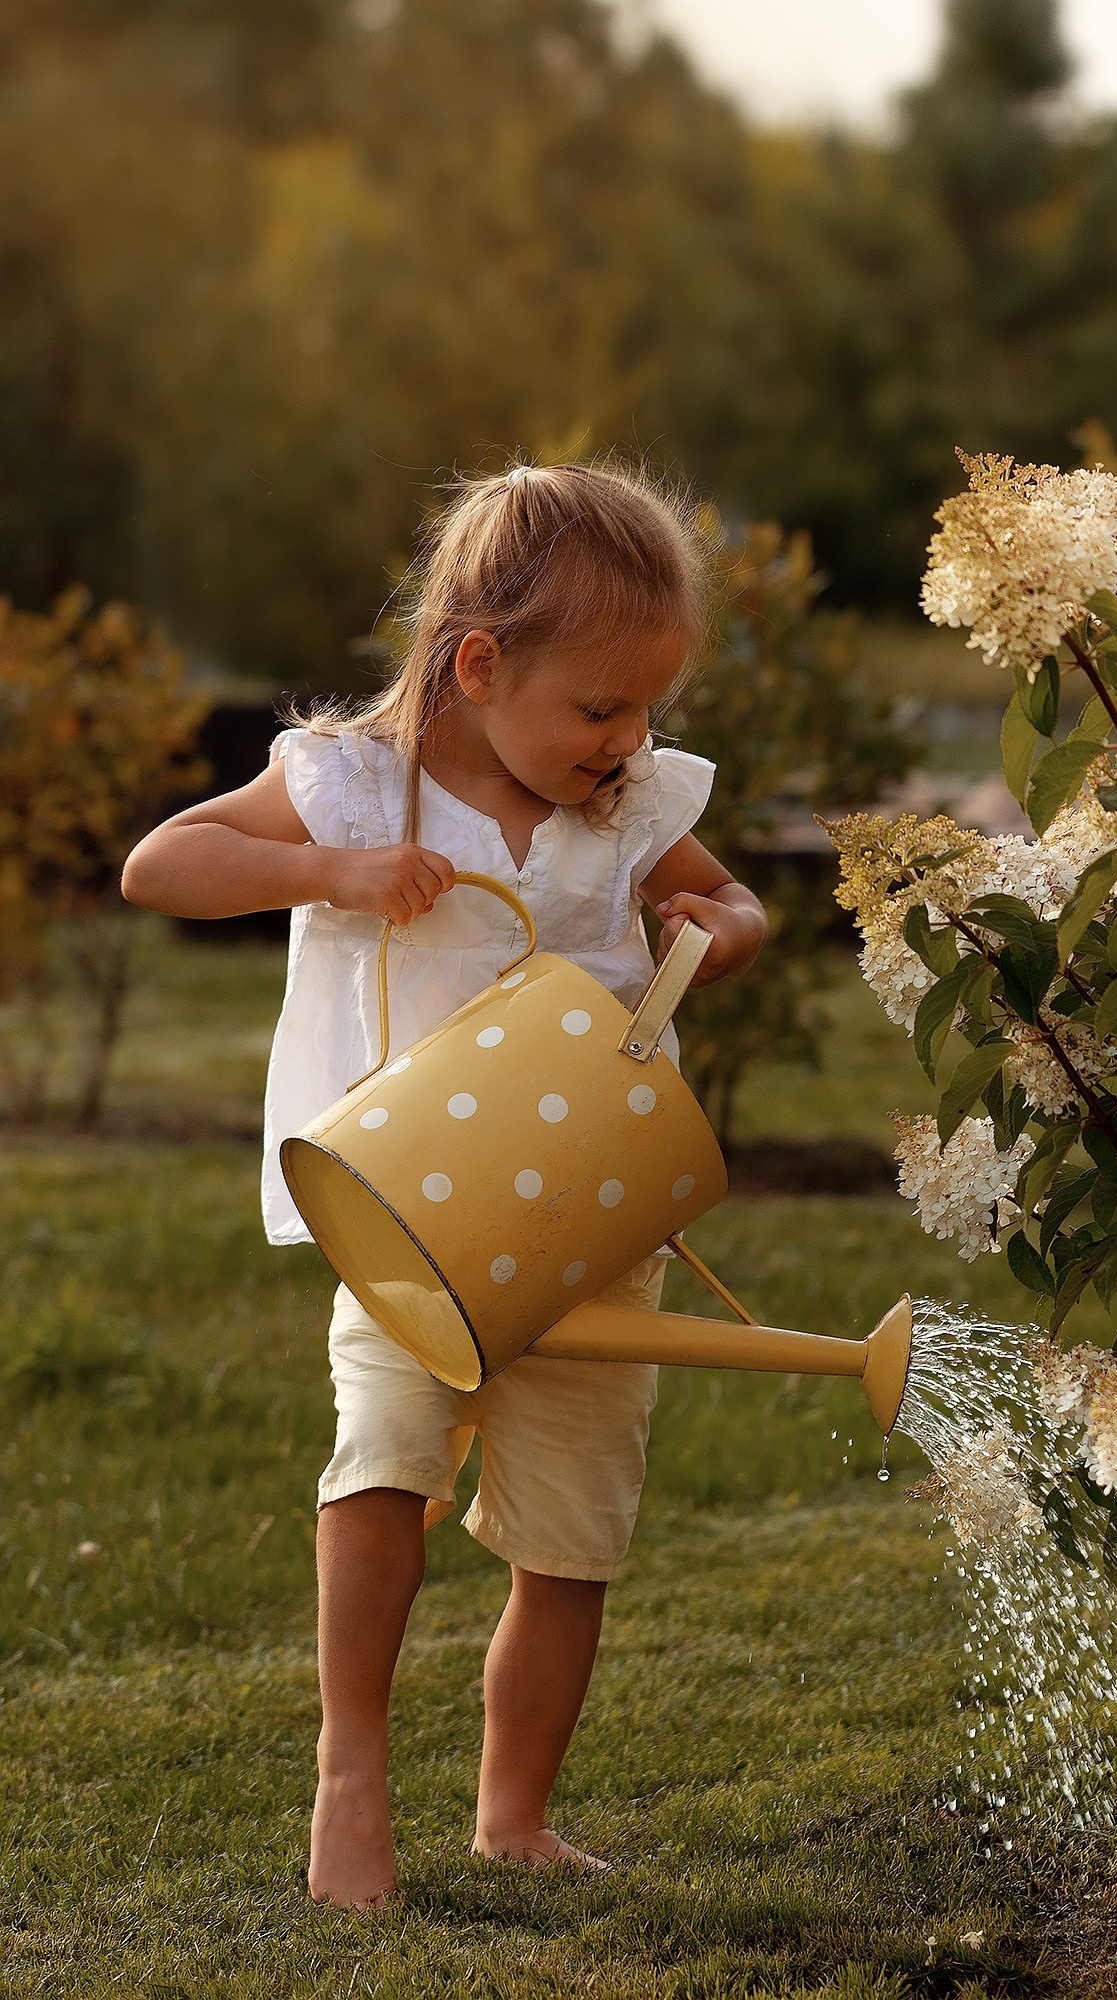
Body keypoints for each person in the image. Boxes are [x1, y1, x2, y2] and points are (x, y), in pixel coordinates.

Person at [121, 461, 767, 1911]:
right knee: (384, 1464)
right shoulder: (354, 781)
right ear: (478, 664)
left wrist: (713, 928)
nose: (626, 743)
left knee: (572, 1535)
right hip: (409, 1219)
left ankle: (513, 1813)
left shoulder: (631, 802)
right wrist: (336, 875)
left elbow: (739, 898)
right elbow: (163, 867)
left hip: (592, 1223)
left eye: (645, 712)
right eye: (599, 710)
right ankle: (350, 1775)